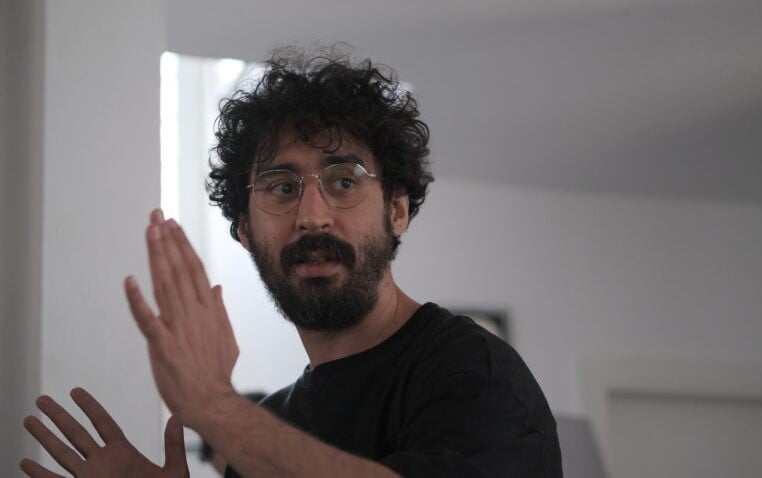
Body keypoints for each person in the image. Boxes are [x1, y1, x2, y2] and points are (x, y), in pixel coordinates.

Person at [20, 45, 563, 477]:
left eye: (344, 182)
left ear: (396, 211)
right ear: (245, 231)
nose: (312, 217)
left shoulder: (472, 372)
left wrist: (215, 405)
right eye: (281, 187)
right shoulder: (267, 429)